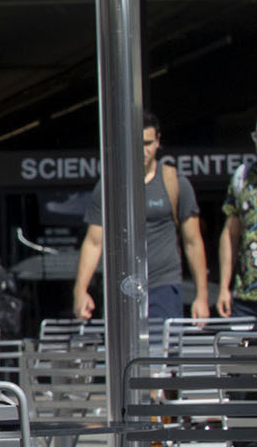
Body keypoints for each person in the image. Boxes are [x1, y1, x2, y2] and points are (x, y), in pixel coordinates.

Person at [73, 112, 208, 325]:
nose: (143, 150)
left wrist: (202, 296)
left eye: (148, 143)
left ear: (158, 141)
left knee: (162, 355)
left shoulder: (175, 182)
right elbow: (93, 241)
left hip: (164, 286)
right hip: (122, 287)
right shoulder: (110, 186)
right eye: (137, 143)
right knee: (122, 357)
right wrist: (80, 290)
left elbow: (193, 242)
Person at [218, 126, 257, 319]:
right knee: (242, 349)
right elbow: (230, 233)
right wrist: (224, 287)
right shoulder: (243, 176)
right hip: (246, 297)